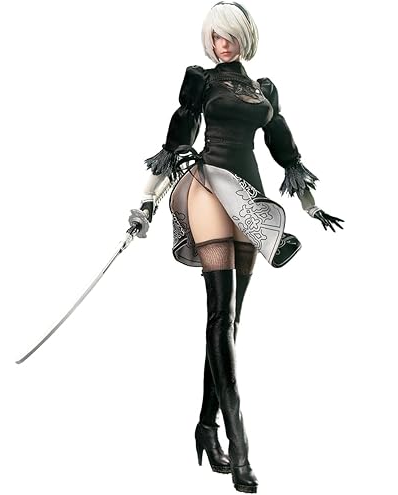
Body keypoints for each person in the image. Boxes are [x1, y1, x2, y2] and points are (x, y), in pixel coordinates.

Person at [136, 2, 344, 493]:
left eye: (227, 35)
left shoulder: (264, 90)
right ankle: (241, 446)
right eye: (214, 36)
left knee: (230, 321)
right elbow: (175, 139)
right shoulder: (200, 81)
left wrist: (311, 206)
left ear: (243, 37)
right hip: (209, 187)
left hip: (250, 201)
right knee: (219, 312)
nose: (220, 44)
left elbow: (285, 152)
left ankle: (205, 428)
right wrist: (144, 203)